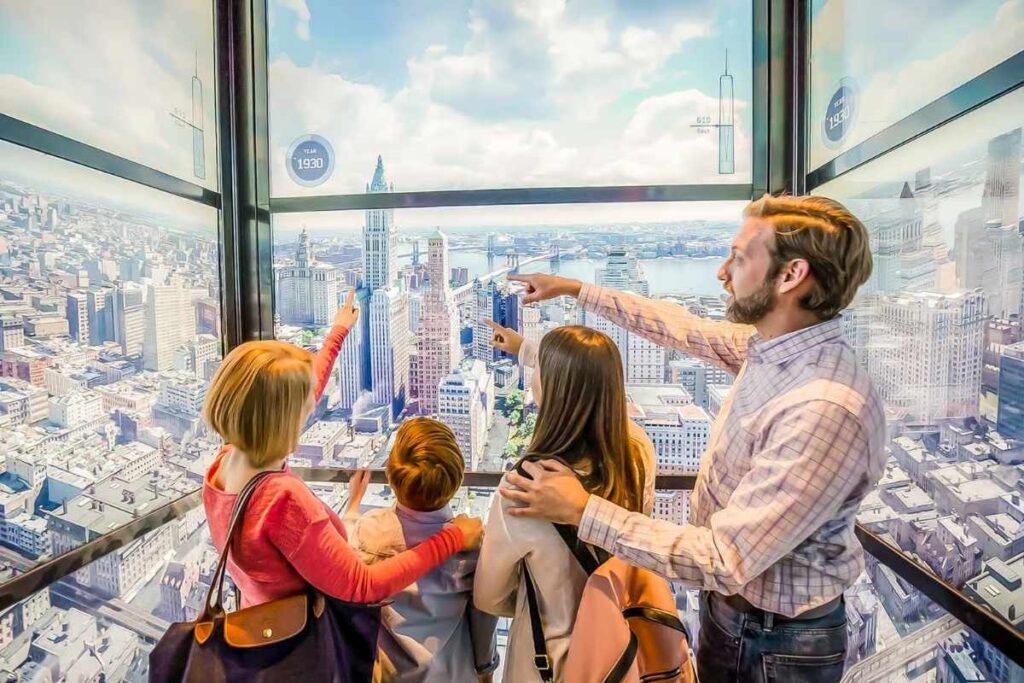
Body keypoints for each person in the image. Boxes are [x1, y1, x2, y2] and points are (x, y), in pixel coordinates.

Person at [500, 194, 886, 683]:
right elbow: (678, 328)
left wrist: (581, 510)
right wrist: (576, 289)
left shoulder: (822, 408)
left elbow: (726, 559)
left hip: (777, 642)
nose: (722, 272)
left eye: (740, 257)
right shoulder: (772, 352)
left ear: (791, 276)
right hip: (745, 622)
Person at [202, 290, 483, 612]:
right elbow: (363, 585)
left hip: (259, 618)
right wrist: (453, 539)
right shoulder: (282, 502)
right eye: (305, 405)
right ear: (284, 419)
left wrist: (338, 334)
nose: (314, 404)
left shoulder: (224, 464)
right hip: (303, 647)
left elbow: (284, 398)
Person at [474, 325, 656, 682]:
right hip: (623, 651)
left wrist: (541, 601)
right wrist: (525, 348)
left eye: (539, 370)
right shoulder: (637, 453)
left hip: (552, 664)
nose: (531, 381)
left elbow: (489, 597)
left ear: (555, 392)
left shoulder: (524, 487)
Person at [349, 417, 499, 683]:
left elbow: (343, 551)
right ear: (456, 478)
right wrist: (485, 669)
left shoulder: (369, 533)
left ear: (393, 479)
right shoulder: (475, 546)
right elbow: (484, 619)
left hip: (387, 674)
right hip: (451, 674)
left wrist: (352, 506)